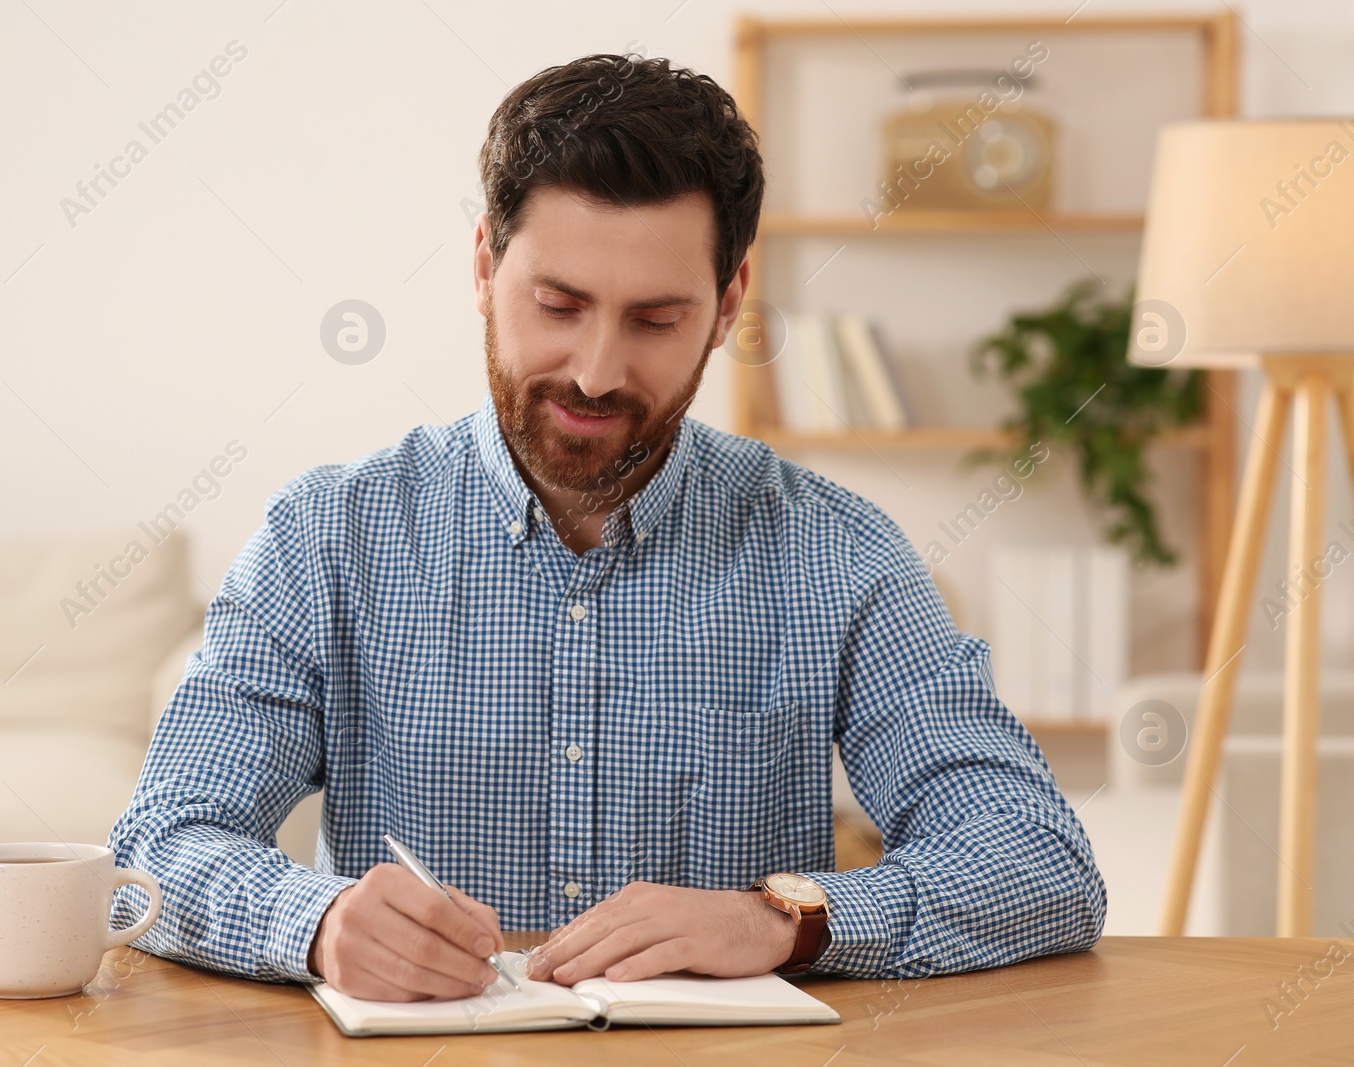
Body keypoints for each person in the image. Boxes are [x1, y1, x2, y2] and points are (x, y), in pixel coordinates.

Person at [108, 52, 1106, 1003]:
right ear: (482, 268)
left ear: (727, 306)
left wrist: (785, 918)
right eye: (558, 303)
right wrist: (317, 921)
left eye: (654, 320)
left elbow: (1035, 857)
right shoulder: (325, 538)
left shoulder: (837, 554)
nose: (592, 370)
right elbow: (157, 845)